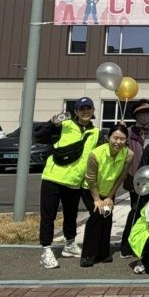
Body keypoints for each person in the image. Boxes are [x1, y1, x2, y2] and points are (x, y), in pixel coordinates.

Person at [34, 96, 101, 269]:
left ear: (93, 111)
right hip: (53, 177)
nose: (85, 111)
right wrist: (51, 122)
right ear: (76, 111)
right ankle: (46, 250)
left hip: (74, 181)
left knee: (71, 215)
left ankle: (70, 244)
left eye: (88, 108)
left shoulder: (96, 133)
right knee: (48, 215)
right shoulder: (64, 124)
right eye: (82, 109)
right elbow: (39, 136)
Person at [80, 123, 134, 267]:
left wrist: (110, 197)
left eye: (122, 139)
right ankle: (88, 254)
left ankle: (103, 252)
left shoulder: (129, 154)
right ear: (108, 138)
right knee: (97, 216)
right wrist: (97, 199)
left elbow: (121, 177)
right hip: (91, 190)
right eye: (115, 138)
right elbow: (90, 178)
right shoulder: (95, 154)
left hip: (109, 191)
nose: (118, 142)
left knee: (107, 217)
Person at [120, 100, 149, 258]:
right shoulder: (128, 132)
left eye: (147, 113)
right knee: (135, 211)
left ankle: (146, 243)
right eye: (141, 113)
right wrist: (120, 130)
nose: (145, 116)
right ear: (135, 115)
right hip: (135, 179)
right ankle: (127, 246)